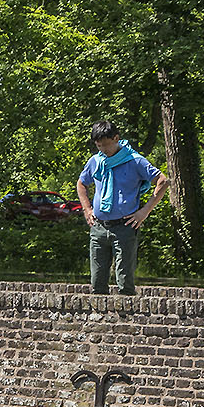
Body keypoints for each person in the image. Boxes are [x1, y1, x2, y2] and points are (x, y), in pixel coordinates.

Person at [75, 120, 171, 295]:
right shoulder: (96, 161)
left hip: (125, 226)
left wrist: (144, 211)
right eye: (99, 146)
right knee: (97, 282)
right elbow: (82, 184)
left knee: (125, 281)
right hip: (99, 226)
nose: (103, 150)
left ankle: (128, 317)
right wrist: (87, 209)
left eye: (106, 145)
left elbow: (162, 181)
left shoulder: (135, 161)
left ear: (116, 138)